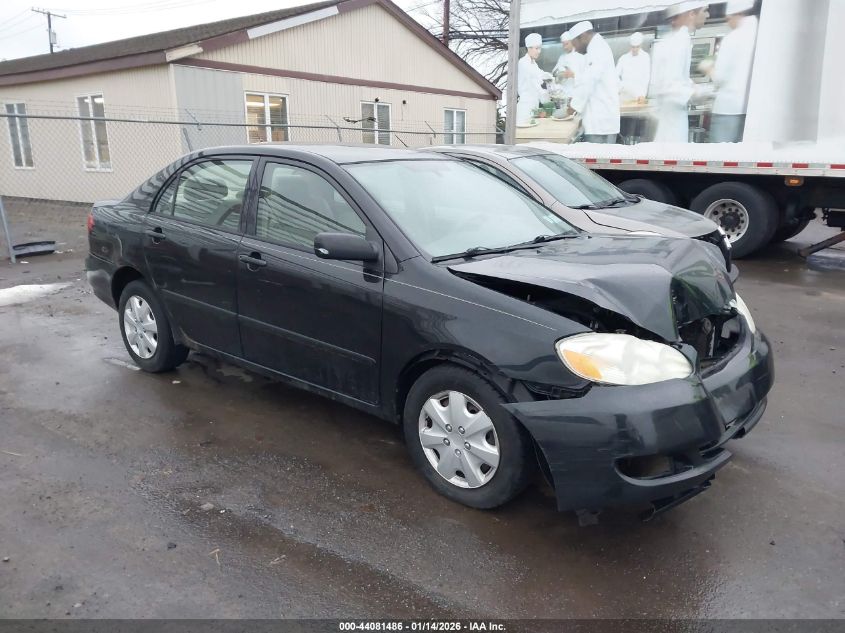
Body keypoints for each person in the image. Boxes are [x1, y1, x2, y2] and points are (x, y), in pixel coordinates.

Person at [650, 1, 710, 142]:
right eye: (705, 10)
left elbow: (676, 77)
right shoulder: (679, 41)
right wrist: (700, 92)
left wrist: (691, 84)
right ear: (691, 14)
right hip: (672, 121)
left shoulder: (680, 39)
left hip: (671, 118)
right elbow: (670, 86)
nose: (708, 15)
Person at [707, 0, 758, 142]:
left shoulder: (732, 38)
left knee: (719, 159)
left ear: (737, 14)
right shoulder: (761, 34)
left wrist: (709, 68)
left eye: (728, 19)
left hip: (727, 109)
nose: (728, 23)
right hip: (751, 109)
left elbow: (720, 77)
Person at [566, 21, 620, 144]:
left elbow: (589, 81)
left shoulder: (597, 49)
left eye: (575, 44)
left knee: (599, 161)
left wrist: (574, 106)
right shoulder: (597, 47)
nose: (576, 49)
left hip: (601, 122)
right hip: (602, 120)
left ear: (583, 36)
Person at [516, 33, 552, 125]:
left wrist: (551, 79)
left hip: (533, 107)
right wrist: (547, 93)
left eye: (540, 48)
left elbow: (542, 75)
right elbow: (537, 78)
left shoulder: (534, 64)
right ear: (529, 48)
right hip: (525, 108)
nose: (539, 51)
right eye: (537, 48)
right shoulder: (523, 63)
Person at [617, 32, 651, 103]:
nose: (635, 49)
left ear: (641, 45)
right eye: (633, 47)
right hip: (624, 94)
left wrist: (642, 95)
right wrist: (619, 89)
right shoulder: (623, 58)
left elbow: (646, 78)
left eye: (637, 47)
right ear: (630, 46)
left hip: (638, 95)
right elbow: (615, 76)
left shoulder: (645, 57)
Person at [552, 31, 586, 101]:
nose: (565, 47)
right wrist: (560, 75)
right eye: (563, 44)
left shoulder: (581, 58)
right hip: (563, 96)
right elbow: (554, 73)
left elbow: (587, 78)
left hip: (577, 96)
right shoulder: (562, 57)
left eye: (567, 44)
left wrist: (573, 75)